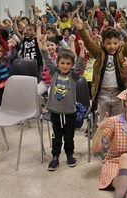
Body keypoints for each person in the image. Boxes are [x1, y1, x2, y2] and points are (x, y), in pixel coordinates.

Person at [76, 15, 127, 121]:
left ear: (119, 42)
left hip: (119, 95)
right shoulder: (98, 53)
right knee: (104, 125)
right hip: (103, 95)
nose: (112, 46)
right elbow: (88, 42)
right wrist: (81, 29)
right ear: (103, 43)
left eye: (115, 43)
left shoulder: (123, 53)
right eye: (108, 43)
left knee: (119, 124)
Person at [37, 22, 86, 171]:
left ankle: (70, 155)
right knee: (57, 137)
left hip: (70, 112)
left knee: (69, 137)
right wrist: (43, 44)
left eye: (68, 63)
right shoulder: (54, 72)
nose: (65, 66)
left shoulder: (74, 75)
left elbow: (81, 63)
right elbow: (46, 57)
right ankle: (55, 156)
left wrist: (82, 49)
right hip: (55, 112)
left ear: (71, 65)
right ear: (57, 64)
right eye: (62, 63)